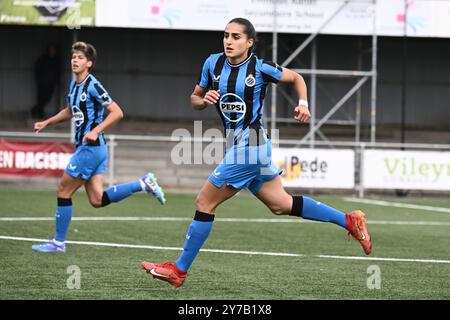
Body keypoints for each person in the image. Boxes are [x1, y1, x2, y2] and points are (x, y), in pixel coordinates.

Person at [141, 18, 371, 288]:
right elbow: (194, 99)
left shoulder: (260, 68)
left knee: (204, 202)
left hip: (250, 145)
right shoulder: (212, 64)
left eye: (236, 37)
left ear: (249, 42)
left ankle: (179, 271)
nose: (229, 41)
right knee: (281, 204)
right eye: (226, 35)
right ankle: (349, 220)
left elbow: (296, 77)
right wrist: (203, 101)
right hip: (244, 145)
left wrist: (303, 103)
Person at [32, 41, 166, 253]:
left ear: (89, 63)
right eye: (73, 57)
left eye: (80, 58)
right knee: (97, 199)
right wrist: (47, 122)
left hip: (91, 148)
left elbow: (117, 112)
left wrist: (96, 130)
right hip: (93, 149)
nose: (75, 60)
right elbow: (69, 110)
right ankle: (143, 184)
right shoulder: (74, 84)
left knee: (63, 190)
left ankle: (58, 243)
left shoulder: (93, 85)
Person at [31, 43, 61, 119]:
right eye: (51, 50)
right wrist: (39, 79)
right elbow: (37, 69)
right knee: (41, 99)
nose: (52, 51)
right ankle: (39, 114)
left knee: (47, 99)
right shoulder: (43, 59)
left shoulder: (57, 60)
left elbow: (59, 71)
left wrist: (57, 80)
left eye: (53, 50)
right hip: (42, 83)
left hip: (51, 83)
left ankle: (34, 110)